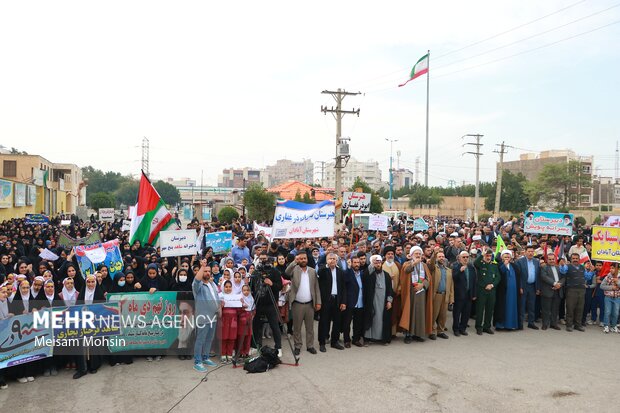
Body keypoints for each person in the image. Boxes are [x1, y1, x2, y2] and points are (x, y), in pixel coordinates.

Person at [286, 250, 321, 355]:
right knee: (297, 328)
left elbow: (316, 287)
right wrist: (294, 262)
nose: (303, 260)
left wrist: (318, 302)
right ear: (298, 259)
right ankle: (297, 346)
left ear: (307, 259)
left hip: (310, 304)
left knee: (310, 327)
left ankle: (310, 346)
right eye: (300, 258)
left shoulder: (312, 271)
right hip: (297, 304)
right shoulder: (294, 269)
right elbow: (287, 272)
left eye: (304, 258)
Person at [250, 252, 283, 356]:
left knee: (274, 325)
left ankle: (278, 347)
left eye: (265, 259)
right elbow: (252, 288)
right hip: (258, 303)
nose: (263, 261)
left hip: (270, 304)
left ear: (269, 259)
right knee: (256, 325)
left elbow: (280, 286)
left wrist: (271, 283)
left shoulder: (275, 272)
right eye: (261, 259)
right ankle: (256, 346)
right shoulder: (256, 272)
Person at [399, 246, 433, 343]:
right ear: (412, 255)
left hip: (421, 293)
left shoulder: (424, 265)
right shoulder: (407, 263)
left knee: (420, 314)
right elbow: (406, 270)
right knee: (409, 313)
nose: (418, 255)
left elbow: (428, 279)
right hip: (410, 293)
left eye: (419, 254)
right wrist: (414, 263)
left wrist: (422, 285)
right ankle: (408, 335)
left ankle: (418, 334)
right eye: (416, 254)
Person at [192, 260, 221, 372]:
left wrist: (219, 309)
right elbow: (196, 279)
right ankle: (197, 362)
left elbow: (216, 297)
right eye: (205, 271)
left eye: (209, 271)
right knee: (201, 339)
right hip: (203, 316)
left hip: (213, 316)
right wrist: (202, 267)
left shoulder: (212, 283)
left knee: (209, 338)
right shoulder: (197, 286)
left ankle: (205, 357)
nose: (207, 273)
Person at [317, 252, 346, 352]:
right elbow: (319, 272)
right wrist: (325, 263)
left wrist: (343, 302)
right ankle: (322, 342)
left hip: (337, 299)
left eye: (334, 259)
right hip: (326, 300)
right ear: (326, 260)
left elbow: (343, 288)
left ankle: (335, 341)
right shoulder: (323, 270)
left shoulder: (340, 272)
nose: (332, 260)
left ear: (337, 260)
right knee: (324, 322)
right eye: (330, 259)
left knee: (337, 322)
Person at [363, 255, 394, 344]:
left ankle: (382, 338)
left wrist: (389, 301)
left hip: (383, 303)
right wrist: (372, 263)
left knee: (382, 320)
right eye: (376, 262)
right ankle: (368, 338)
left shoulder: (386, 275)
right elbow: (366, 274)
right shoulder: (369, 273)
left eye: (379, 262)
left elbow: (390, 290)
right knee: (371, 318)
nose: (378, 264)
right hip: (371, 302)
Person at [427, 250, 453, 339]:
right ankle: (432, 331)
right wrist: (434, 254)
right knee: (434, 314)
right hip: (436, 295)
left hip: (445, 295)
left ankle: (440, 331)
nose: (441, 258)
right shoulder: (434, 268)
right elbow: (431, 264)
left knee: (443, 315)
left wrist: (451, 298)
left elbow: (451, 285)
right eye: (439, 257)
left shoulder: (448, 270)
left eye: (442, 256)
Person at [474, 248, 501, 335]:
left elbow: (498, 277)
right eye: (487, 255)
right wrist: (482, 254)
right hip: (482, 290)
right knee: (480, 309)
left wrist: (492, 285)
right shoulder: (481, 264)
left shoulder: (494, 265)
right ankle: (479, 327)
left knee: (490, 309)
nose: (488, 257)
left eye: (490, 256)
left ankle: (487, 326)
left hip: (492, 290)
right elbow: (475, 263)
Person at [451, 251, 477, 336]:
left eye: (467, 257)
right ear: (459, 258)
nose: (466, 259)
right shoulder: (455, 267)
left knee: (466, 313)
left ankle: (463, 328)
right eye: (464, 257)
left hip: (469, 294)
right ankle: (456, 329)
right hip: (459, 295)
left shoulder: (471, 268)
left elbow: (474, 281)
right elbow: (453, 279)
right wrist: (459, 271)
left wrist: (474, 294)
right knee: (457, 313)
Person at [515, 245, 540, 330]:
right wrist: (520, 287)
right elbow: (518, 276)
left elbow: (538, 276)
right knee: (522, 306)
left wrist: (537, 288)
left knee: (531, 305)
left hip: (533, 286)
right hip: (523, 286)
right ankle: (520, 323)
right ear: (525, 252)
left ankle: (531, 322)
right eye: (529, 251)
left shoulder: (536, 262)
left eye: (532, 251)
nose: (530, 253)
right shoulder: (519, 262)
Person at [495, 250, 521, 331]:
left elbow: (519, 278)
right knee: (502, 307)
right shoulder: (499, 265)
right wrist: (504, 265)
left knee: (512, 307)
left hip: (513, 292)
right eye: (505, 257)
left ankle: (510, 325)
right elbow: (499, 273)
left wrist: (520, 287)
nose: (507, 258)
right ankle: (500, 325)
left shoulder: (515, 266)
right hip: (503, 291)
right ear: (502, 257)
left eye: (508, 257)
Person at [343, 256, 365, 347]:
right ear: (351, 263)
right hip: (350, 302)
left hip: (360, 302)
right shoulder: (347, 273)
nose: (356, 264)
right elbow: (345, 283)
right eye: (355, 262)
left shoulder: (362, 274)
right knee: (347, 322)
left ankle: (355, 339)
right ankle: (346, 340)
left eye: (358, 263)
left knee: (358, 322)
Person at [560, 253, 586, 332]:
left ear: (579, 259)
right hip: (571, 290)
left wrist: (591, 271)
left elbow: (587, 276)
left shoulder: (582, 267)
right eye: (573, 258)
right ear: (571, 259)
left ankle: (578, 325)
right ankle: (569, 325)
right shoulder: (567, 267)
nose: (575, 260)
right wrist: (562, 265)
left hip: (582, 290)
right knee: (570, 308)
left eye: (576, 258)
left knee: (580, 308)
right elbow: (563, 271)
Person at [219, 280, 242, 363]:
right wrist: (220, 306)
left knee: (231, 338)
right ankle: (222, 355)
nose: (228, 288)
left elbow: (239, 312)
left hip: (233, 321)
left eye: (230, 287)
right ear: (223, 287)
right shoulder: (220, 296)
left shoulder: (236, 297)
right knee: (223, 337)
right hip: (223, 320)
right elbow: (217, 311)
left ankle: (229, 354)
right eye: (226, 287)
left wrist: (241, 304)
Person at [539, 252, 563, 330]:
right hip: (547, 291)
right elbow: (544, 277)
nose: (552, 260)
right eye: (550, 259)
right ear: (547, 260)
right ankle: (545, 324)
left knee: (555, 309)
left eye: (553, 259)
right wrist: (554, 283)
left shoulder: (559, 267)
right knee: (546, 309)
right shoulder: (544, 267)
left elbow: (564, 277)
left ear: (555, 259)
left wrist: (559, 284)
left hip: (558, 290)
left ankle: (553, 324)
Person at [382, 246, 401, 336]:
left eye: (392, 254)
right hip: (384, 295)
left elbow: (402, 279)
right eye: (388, 254)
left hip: (395, 294)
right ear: (385, 255)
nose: (390, 255)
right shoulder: (381, 264)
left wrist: (399, 289)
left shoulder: (397, 265)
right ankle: (385, 333)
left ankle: (393, 333)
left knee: (394, 314)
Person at [600, 263, 620, 334]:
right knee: (607, 312)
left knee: (616, 313)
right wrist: (611, 288)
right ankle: (606, 326)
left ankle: (613, 326)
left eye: (613, 268)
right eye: (610, 268)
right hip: (608, 297)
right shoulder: (607, 277)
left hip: (617, 298)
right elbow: (601, 286)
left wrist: (617, 282)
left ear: (617, 269)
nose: (611, 269)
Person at [236, 284, 254, 359]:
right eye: (244, 290)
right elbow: (237, 311)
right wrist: (242, 307)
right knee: (241, 336)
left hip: (249, 319)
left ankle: (246, 352)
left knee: (248, 336)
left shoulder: (251, 298)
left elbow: (253, 309)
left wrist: (252, 315)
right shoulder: (240, 299)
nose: (246, 292)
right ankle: (240, 352)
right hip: (242, 320)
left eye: (247, 290)